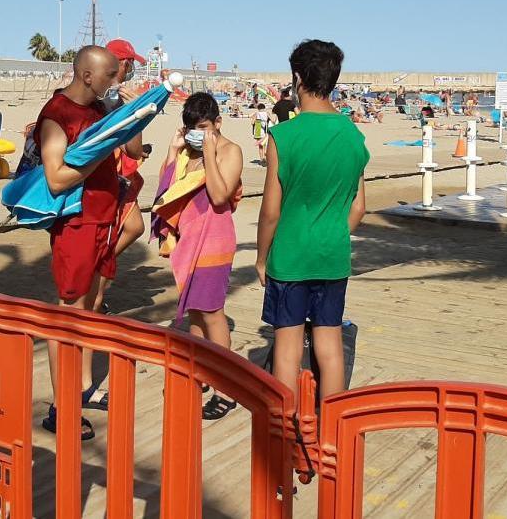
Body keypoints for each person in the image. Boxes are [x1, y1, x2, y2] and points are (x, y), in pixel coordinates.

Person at [256, 39, 368, 402]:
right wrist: (331, 234)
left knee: (287, 347)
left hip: (290, 256)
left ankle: (287, 430)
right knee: (329, 342)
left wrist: (261, 257)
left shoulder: (284, 135)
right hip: (332, 254)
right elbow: (358, 208)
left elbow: (271, 210)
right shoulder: (353, 135)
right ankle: (332, 430)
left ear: (297, 78)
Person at [34, 46, 122, 438]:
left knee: (87, 310)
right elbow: (55, 178)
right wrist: (95, 157)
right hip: (77, 224)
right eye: (110, 76)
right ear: (88, 76)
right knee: (68, 311)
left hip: (103, 219)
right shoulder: (57, 114)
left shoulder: (100, 110)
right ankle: (61, 408)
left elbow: (131, 151)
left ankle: (75, 391)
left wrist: (127, 118)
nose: (115, 82)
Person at [151, 92, 243, 419]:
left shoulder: (231, 151)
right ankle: (199, 371)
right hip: (189, 240)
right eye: (192, 127)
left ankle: (225, 389)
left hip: (215, 241)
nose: (197, 133)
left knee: (213, 311)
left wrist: (209, 154)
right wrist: (174, 150)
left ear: (218, 123)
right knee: (194, 313)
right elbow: (164, 192)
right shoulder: (190, 150)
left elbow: (219, 195)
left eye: (203, 127)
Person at [103, 39, 151, 272]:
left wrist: (137, 150)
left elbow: (119, 140)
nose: (131, 69)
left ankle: (104, 265)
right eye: (130, 63)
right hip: (107, 179)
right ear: (121, 63)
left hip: (112, 174)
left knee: (133, 226)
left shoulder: (109, 93)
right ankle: (101, 273)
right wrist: (136, 113)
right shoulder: (111, 96)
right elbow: (123, 140)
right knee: (121, 229)